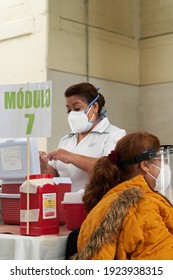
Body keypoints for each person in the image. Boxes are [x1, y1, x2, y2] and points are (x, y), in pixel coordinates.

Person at [72, 131, 173, 260]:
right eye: (160, 161)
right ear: (145, 166)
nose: (164, 167)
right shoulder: (143, 207)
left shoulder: (104, 203)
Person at [39, 82, 126, 192]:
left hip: (97, 204)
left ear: (94, 107)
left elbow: (110, 170)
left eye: (77, 108)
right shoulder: (66, 139)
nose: (72, 115)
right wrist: (45, 166)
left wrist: (70, 157)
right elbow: (58, 175)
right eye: (69, 110)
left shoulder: (114, 135)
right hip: (66, 203)